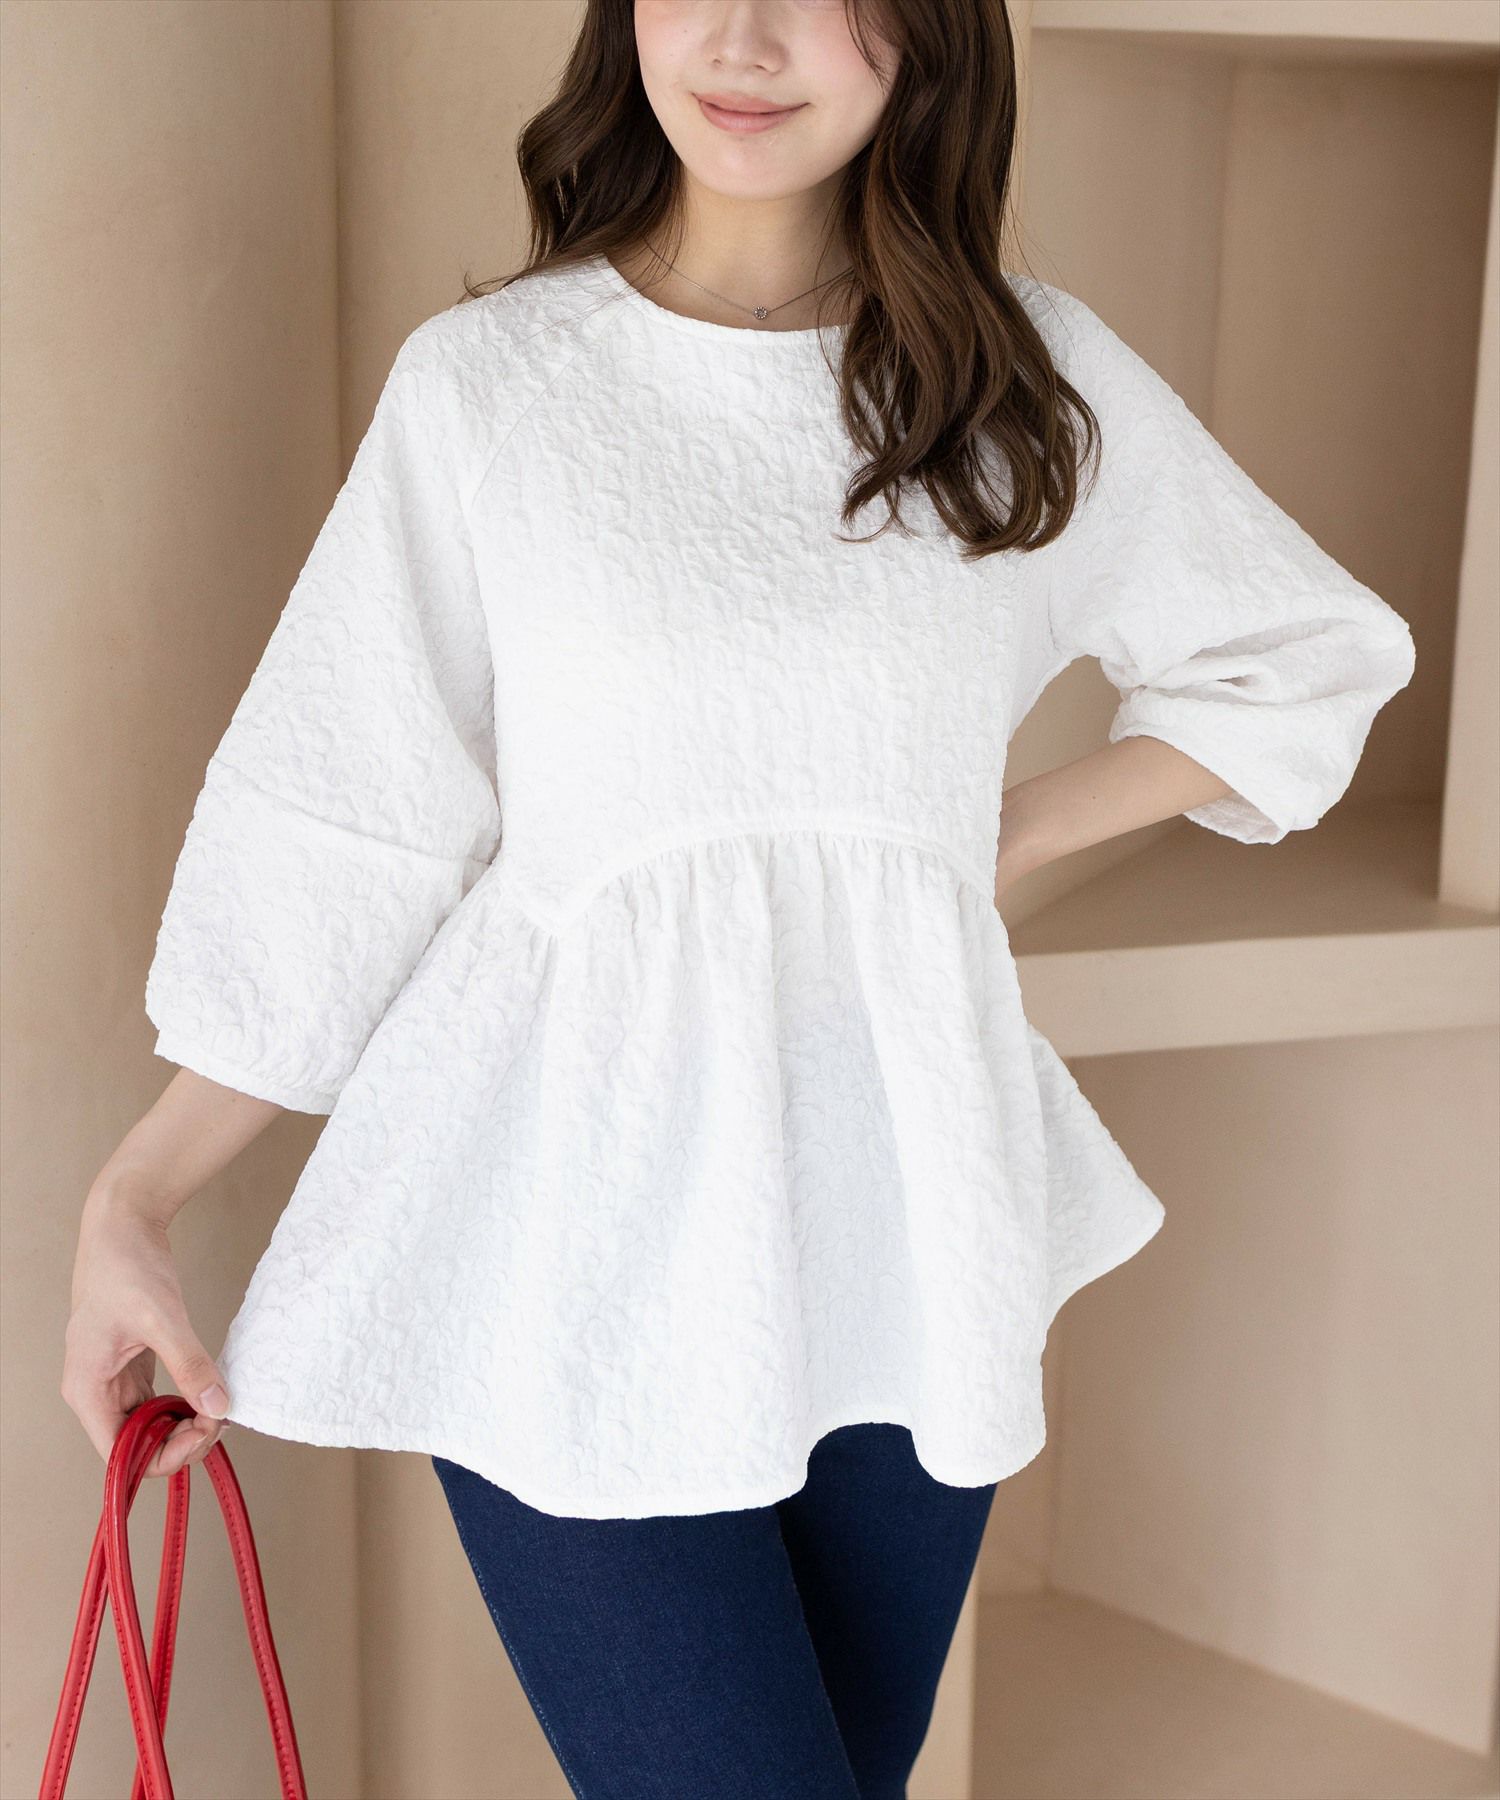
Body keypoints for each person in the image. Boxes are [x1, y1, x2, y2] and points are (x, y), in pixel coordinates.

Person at [62, 0, 1418, 1794]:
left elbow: (1304, 655)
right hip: (573, 1232)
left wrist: (984, 838)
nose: (747, 38)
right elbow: (347, 822)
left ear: (928, 35)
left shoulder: (1017, 380)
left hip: (905, 1223)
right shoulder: (494, 387)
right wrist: (139, 1195)